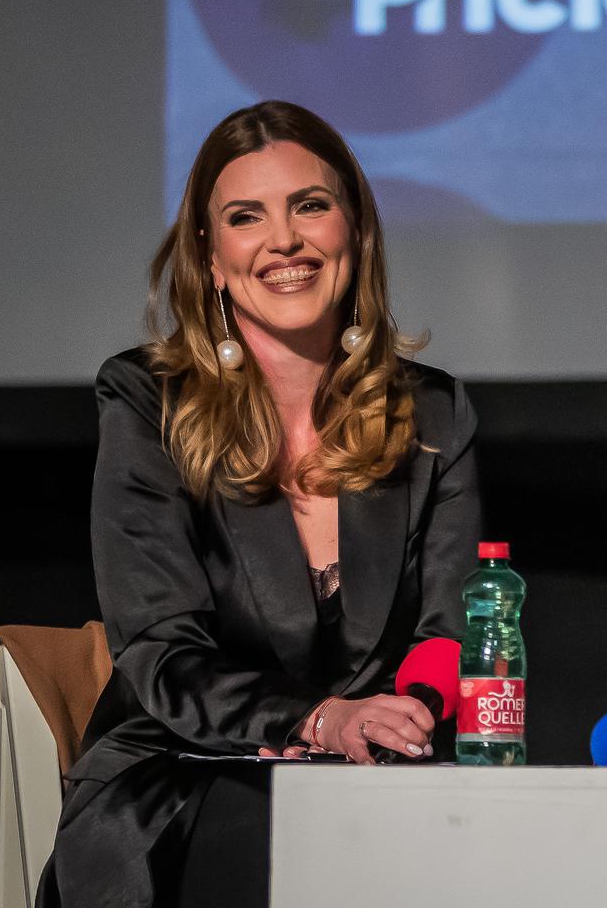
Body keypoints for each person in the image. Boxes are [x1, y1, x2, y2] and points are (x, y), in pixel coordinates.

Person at [38, 100, 482, 908]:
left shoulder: (434, 414)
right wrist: (318, 720)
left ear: (355, 231)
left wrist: (400, 721)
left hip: (375, 781)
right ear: (210, 257)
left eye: (309, 206)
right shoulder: (146, 401)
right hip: (183, 779)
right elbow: (162, 653)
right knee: (293, 845)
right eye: (246, 217)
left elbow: (448, 631)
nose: (284, 241)